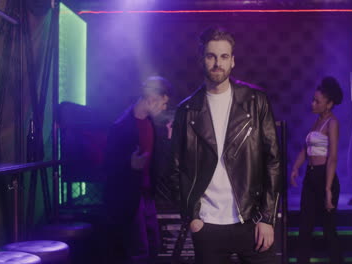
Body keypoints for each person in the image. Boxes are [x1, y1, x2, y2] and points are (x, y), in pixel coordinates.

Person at [170, 27, 281, 264]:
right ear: (202, 59)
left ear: (233, 61)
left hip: (251, 220)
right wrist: (192, 216)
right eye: (211, 56)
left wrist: (267, 218)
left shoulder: (255, 102)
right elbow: (174, 168)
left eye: (223, 56)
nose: (217, 63)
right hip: (207, 224)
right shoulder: (187, 110)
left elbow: (273, 161)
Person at [104, 76, 171, 264]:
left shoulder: (152, 123)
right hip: (129, 198)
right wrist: (129, 164)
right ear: (152, 98)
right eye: (163, 103)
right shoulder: (121, 127)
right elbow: (107, 167)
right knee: (139, 251)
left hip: (146, 194)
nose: (164, 108)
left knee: (153, 246)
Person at [290, 77, 344, 264]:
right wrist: (296, 167)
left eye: (317, 101)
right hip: (311, 176)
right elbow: (306, 149)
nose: (312, 103)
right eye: (313, 99)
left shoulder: (332, 123)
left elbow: (333, 157)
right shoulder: (316, 122)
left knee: (328, 229)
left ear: (329, 104)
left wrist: (328, 190)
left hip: (324, 177)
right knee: (305, 227)